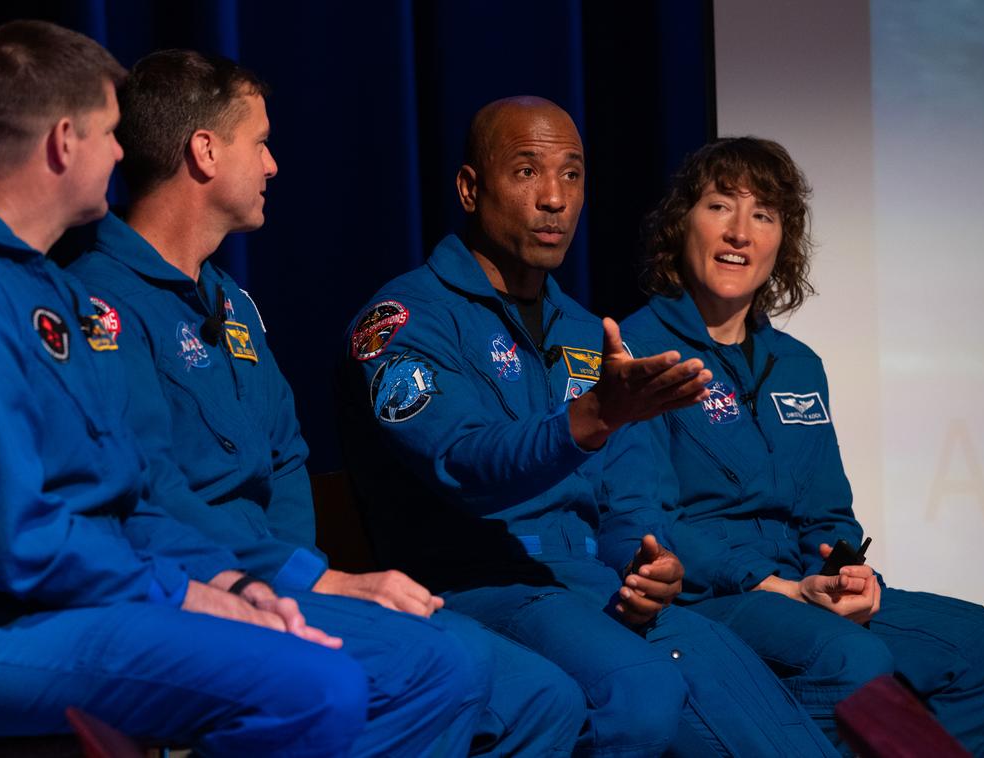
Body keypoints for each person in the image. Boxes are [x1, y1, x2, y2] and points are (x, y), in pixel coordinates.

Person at [0, 21, 473, 752]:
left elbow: (124, 495)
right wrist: (184, 592)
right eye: (109, 133)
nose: (121, 152)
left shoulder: (45, 291)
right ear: (62, 141)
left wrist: (228, 583)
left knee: (390, 667)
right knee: (315, 685)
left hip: (66, 600)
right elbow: (12, 541)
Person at [69, 49, 586, 757]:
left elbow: (285, 457)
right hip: (185, 589)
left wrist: (305, 574)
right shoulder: (96, 303)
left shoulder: (232, 304)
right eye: (261, 143)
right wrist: (314, 579)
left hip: (281, 582)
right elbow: (146, 496)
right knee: (445, 664)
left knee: (542, 698)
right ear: (205, 151)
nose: (274, 164)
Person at [336, 96, 838, 757]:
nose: (554, 198)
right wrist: (590, 417)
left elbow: (625, 499)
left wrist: (644, 568)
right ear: (469, 187)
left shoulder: (586, 330)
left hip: (589, 586)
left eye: (572, 175)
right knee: (641, 689)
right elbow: (462, 462)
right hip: (478, 585)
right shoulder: (406, 319)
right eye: (527, 172)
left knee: (776, 714)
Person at [617, 136, 984, 755]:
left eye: (763, 214)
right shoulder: (638, 351)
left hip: (805, 588)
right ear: (682, 224)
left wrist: (846, 571)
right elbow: (649, 524)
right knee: (854, 661)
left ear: (781, 244)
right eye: (720, 207)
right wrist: (776, 586)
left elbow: (827, 510)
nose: (740, 232)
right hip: (713, 596)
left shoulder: (798, 366)